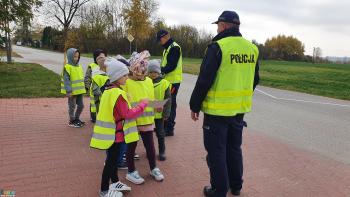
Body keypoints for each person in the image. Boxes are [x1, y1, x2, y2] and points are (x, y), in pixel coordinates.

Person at [189, 10, 260, 197]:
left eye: (218, 25)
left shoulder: (218, 47)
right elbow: (255, 79)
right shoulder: (251, 48)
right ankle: (236, 186)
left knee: (216, 151)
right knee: (234, 148)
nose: (218, 28)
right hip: (239, 110)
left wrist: (194, 106)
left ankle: (219, 190)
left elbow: (204, 80)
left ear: (224, 25)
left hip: (217, 112)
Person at [90, 57, 149, 197]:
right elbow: (127, 114)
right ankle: (104, 190)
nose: (127, 78)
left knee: (112, 160)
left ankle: (115, 181)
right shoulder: (118, 93)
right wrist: (142, 105)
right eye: (124, 75)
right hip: (115, 136)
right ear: (116, 77)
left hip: (112, 134)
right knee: (111, 162)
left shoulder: (110, 90)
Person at [123, 51, 165, 185]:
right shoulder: (127, 83)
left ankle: (153, 168)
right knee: (131, 147)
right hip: (132, 121)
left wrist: (157, 106)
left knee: (150, 147)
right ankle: (131, 171)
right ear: (132, 70)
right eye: (138, 73)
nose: (141, 76)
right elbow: (125, 102)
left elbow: (149, 99)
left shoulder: (148, 81)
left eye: (143, 74)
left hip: (147, 121)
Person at [156, 29, 183, 136]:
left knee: (170, 104)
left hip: (173, 82)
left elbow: (171, 66)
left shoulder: (174, 48)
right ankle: (162, 125)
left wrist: (159, 71)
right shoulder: (167, 48)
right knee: (165, 103)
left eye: (160, 39)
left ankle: (169, 128)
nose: (160, 42)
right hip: (166, 81)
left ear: (166, 37)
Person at [148, 59, 171, 161]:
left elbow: (168, 100)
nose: (153, 74)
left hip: (159, 115)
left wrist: (166, 113)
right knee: (147, 134)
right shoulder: (146, 82)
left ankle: (162, 151)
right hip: (147, 114)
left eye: (155, 72)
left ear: (159, 72)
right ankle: (150, 151)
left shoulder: (164, 83)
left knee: (160, 133)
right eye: (151, 72)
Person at [60, 48, 86, 128]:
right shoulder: (67, 67)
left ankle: (76, 118)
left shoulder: (79, 67)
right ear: (70, 57)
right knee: (72, 106)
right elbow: (66, 80)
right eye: (74, 57)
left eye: (78, 57)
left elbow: (81, 78)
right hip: (72, 92)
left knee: (81, 105)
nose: (76, 58)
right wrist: (69, 91)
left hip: (79, 91)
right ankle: (71, 120)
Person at [85, 49, 107, 122]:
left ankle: (102, 116)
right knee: (93, 104)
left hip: (104, 88)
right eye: (100, 57)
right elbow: (87, 77)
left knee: (103, 103)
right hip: (94, 88)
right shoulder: (91, 66)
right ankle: (93, 117)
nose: (102, 59)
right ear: (95, 58)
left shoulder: (107, 65)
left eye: (103, 57)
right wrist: (87, 87)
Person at [89, 55, 109, 123]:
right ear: (105, 67)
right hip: (99, 103)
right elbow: (96, 91)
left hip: (103, 102)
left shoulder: (105, 75)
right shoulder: (98, 77)